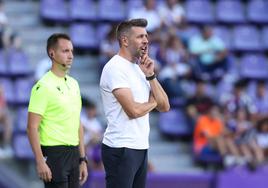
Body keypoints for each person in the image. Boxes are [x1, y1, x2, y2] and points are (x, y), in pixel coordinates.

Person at [99, 18, 170, 188]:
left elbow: (165, 106)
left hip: (140, 146)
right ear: (124, 40)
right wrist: (154, 102)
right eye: (139, 36)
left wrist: (151, 75)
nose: (146, 40)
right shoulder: (115, 68)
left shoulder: (141, 68)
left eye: (146, 36)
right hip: (120, 147)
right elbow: (134, 111)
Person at [27, 33, 88, 188]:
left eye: (72, 51)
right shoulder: (43, 86)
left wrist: (82, 159)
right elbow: (31, 127)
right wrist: (40, 162)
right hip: (55, 155)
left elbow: (77, 123)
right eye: (65, 51)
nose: (71, 55)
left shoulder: (74, 84)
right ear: (52, 53)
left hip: (74, 154)